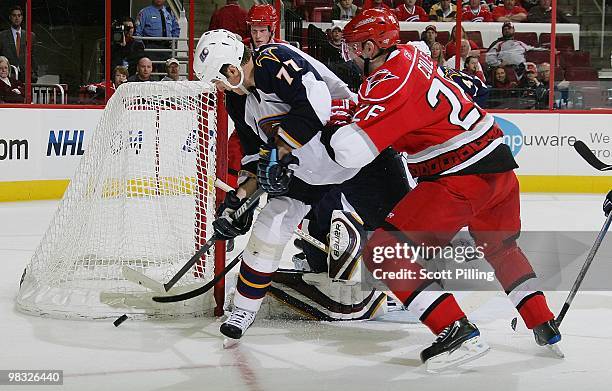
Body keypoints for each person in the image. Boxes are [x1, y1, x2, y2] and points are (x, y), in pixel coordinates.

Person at [336, 8, 562, 368]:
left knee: (383, 252)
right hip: (500, 171)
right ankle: (543, 321)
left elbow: (350, 150)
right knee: (502, 248)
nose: (348, 56)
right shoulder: (413, 54)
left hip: (459, 177)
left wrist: (338, 125)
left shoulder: (388, 80)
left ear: (368, 47)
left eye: (352, 48)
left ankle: (455, 330)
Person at [194, 29, 408, 345]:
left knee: (409, 226)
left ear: (231, 69)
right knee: (271, 220)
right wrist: (237, 202)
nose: (217, 88)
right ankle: (243, 310)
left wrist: (278, 153)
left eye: (217, 80)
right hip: (309, 169)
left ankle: (443, 295)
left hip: (353, 150)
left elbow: (316, 104)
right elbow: (255, 155)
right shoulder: (240, 103)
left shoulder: (272, 59)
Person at [135, 0, 180, 69]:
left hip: (167, 49)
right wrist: (141, 47)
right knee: (149, 73)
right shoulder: (145, 12)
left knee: (165, 72)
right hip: (151, 48)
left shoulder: (169, 12)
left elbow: (176, 28)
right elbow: (138, 31)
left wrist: (173, 41)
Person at [0, 5, 36, 82]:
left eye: (19, 15)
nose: (17, 18)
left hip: (26, 78)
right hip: (8, 77)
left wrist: (34, 74)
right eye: (14, 15)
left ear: (22, 18)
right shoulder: (2, 36)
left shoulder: (30, 36)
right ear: (10, 17)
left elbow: (33, 56)